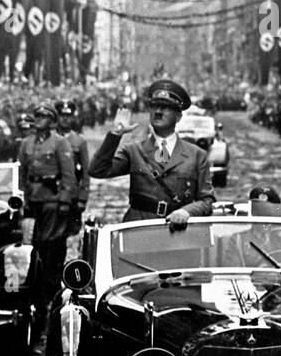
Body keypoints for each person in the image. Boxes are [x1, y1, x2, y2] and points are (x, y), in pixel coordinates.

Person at [89, 79, 214, 228]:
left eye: (166, 107)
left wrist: (186, 212)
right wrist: (115, 134)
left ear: (178, 116)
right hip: (138, 231)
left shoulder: (197, 155)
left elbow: (207, 201)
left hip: (179, 233)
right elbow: (97, 170)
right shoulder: (134, 151)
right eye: (154, 106)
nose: (158, 112)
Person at [18, 103, 77, 319]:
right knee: (32, 243)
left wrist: (64, 200)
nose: (39, 119)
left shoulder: (60, 143)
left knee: (50, 243)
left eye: (44, 116)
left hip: (52, 199)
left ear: (52, 121)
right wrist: (22, 198)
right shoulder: (26, 143)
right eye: (37, 115)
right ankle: (36, 285)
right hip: (33, 199)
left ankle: (49, 287)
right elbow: (21, 173)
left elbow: (69, 174)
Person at [56, 99, 91, 242]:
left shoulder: (79, 141)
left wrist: (83, 197)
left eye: (68, 116)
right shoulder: (51, 139)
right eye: (62, 115)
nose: (65, 119)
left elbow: (86, 172)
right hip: (52, 193)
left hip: (72, 194)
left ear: (73, 117)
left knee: (68, 233)